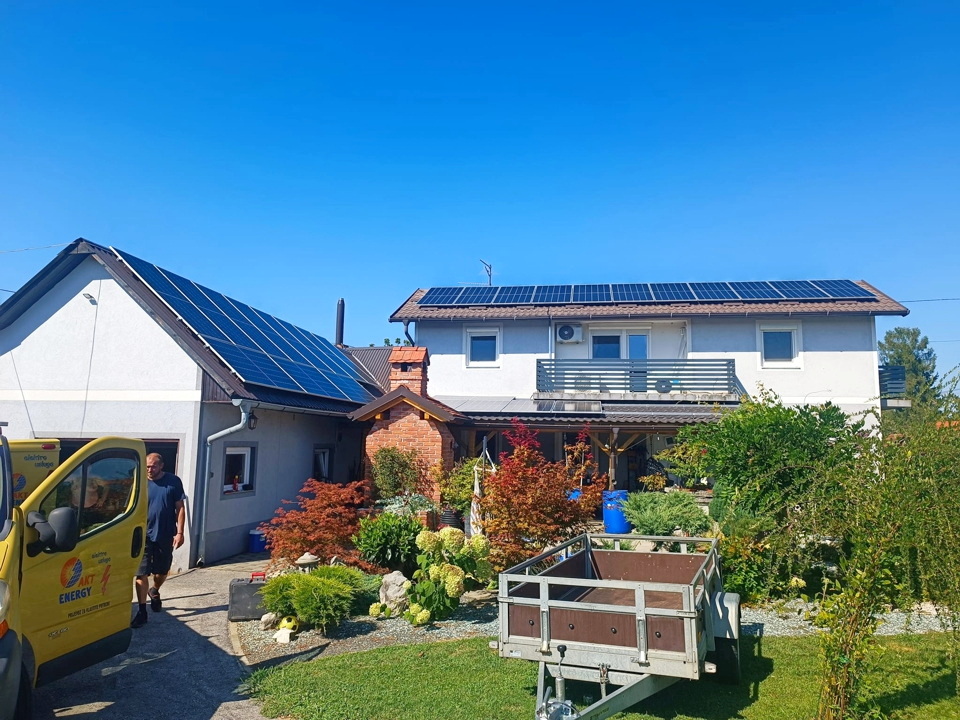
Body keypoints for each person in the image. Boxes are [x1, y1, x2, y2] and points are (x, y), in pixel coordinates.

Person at [132, 453, 186, 629]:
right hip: (142, 534)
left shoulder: (173, 482)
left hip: (164, 533)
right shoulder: (139, 481)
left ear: (161, 466)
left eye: (153, 466)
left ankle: (154, 590)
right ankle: (142, 611)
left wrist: (180, 533)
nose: (149, 469)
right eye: (147, 466)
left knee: (162, 571)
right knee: (141, 573)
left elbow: (180, 508)